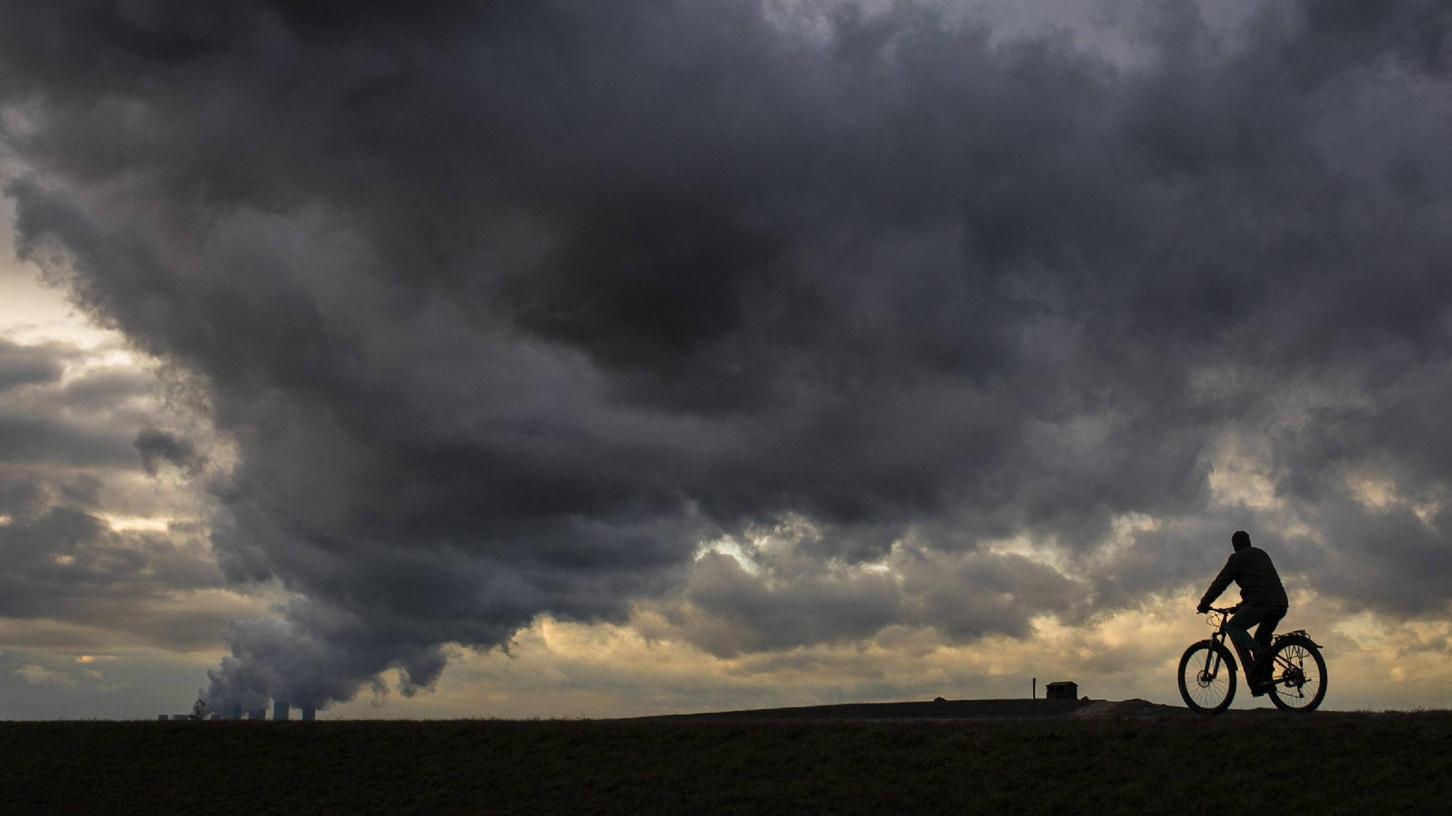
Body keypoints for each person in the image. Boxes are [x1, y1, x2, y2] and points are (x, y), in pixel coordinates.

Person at [1197, 530, 1289, 695]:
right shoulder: (1261, 554)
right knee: (1261, 638)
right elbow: (1260, 584)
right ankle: (1264, 680)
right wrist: (1240, 607)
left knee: (1233, 627)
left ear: (1234, 546)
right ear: (1249, 541)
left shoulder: (1237, 558)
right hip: (1280, 603)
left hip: (1262, 603)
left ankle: (1258, 653)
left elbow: (1221, 582)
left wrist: (1205, 603)